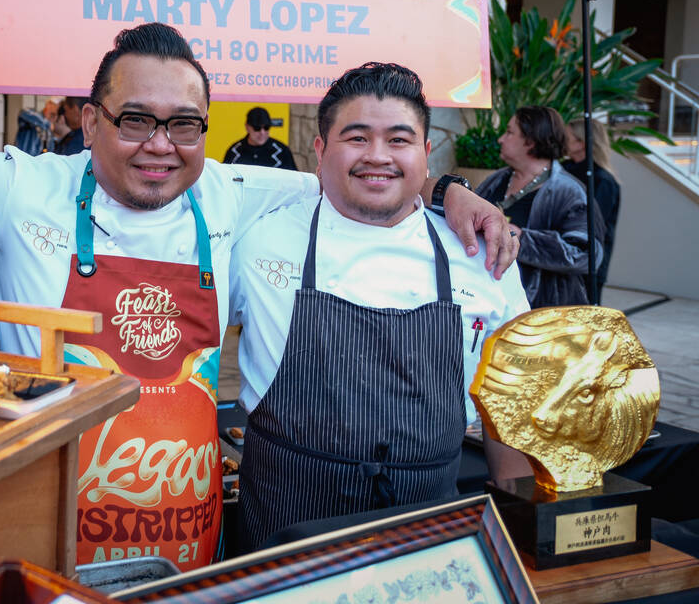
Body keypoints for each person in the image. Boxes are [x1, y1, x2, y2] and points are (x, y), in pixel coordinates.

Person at [0, 23, 517, 570]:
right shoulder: (14, 185)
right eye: (134, 120)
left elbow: (368, 179)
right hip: (43, 538)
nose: (160, 145)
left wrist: (452, 192)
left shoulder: (243, 194)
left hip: (197, 546)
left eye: (183, 123)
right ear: (88, 121)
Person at [230, 64, 528, 550]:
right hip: (286, 526)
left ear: (426, 154)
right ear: (320, 150)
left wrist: (517, 531)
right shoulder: (259, 237)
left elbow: (509, 406)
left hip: (427, 531)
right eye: (357, 137)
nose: (377, 157)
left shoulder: (480, 254)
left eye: (398, 140)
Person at [477, 106, 596, 307]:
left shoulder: (568, 191)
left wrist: (520, 238)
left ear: (531, 141)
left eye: (509, 132)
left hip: (542, 312)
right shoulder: (497, 180)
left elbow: (585, 255)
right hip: (489, 300)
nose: (501, 139)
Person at [562, 118, 620, 304]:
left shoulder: (603, 181)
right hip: (563, 257)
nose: (562, 140)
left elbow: (592, 224)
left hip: (588, 262)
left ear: (582, 142)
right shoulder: (563, 170)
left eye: (568, 137)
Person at [223, 106, 297, 169]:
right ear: (247, 127)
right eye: (257, 128)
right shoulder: (234, 151)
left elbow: (293, 180)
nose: (262, 133)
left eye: (266, 128)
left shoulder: (282, 151)